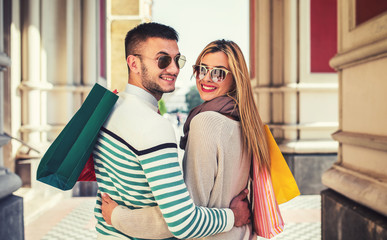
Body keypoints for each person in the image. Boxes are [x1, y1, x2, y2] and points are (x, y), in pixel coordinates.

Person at [93, 23, 251, 240]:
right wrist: (233, 216)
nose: (175, 69)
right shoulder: (155, 126)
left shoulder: (107, 109)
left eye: (177, 60)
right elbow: (183, 222)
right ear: (134, 63)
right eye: (163, 60)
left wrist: (116, 216)